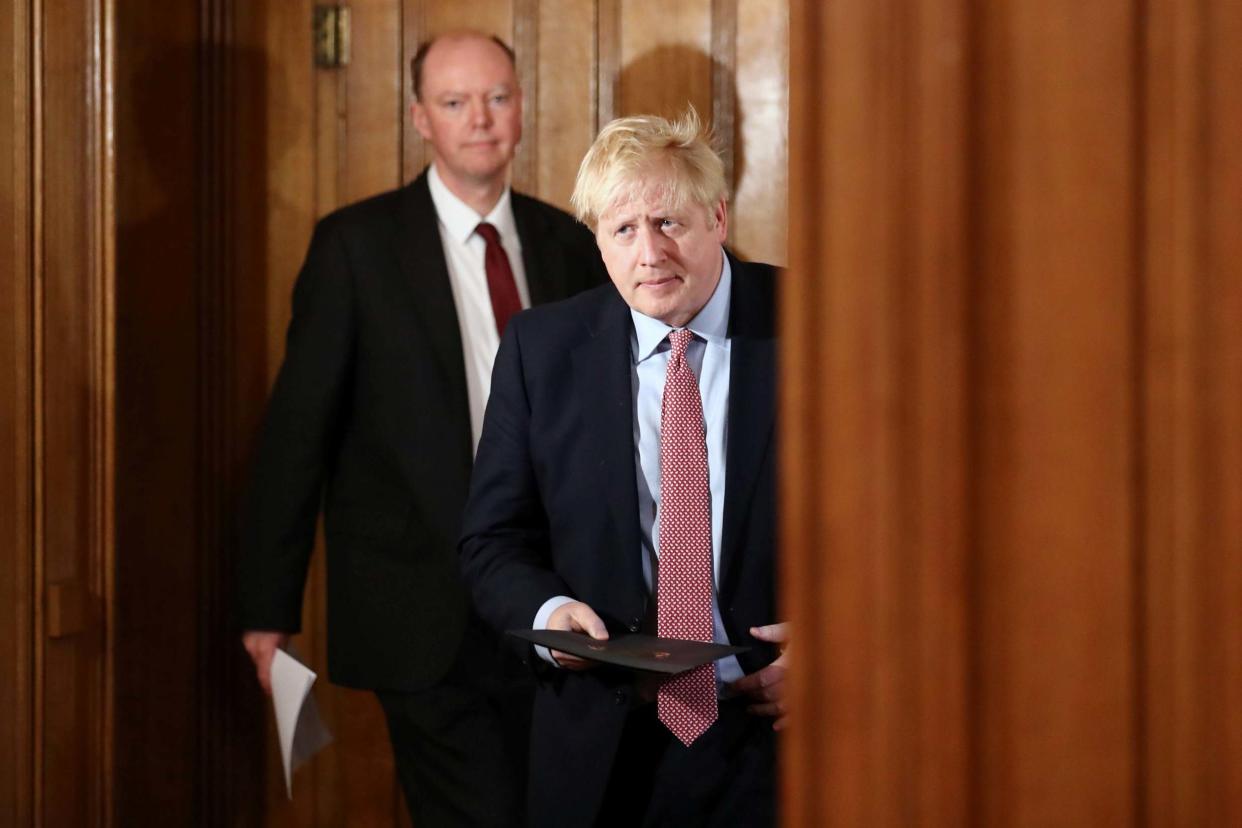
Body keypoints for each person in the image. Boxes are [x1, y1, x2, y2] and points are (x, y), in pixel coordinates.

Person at [235, 30, 604, 826]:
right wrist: (269, 609)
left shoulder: (571, 245)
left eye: (498, 98)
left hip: (557, 605)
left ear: (521, 109)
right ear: (419, 118)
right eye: (455, 102)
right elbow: (298, 436)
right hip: (419, 613)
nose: (480, 118)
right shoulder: (355, 248)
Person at [459, 109, 789, 827]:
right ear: (599, 243)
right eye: (623, 230)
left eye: (668, 222)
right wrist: (549, 614)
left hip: (780, 734)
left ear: (718, 216)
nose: (650, 254)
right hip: (604, 744)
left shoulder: (815, 324)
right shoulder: (541, 350)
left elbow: (906, 529)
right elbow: (492, 540)